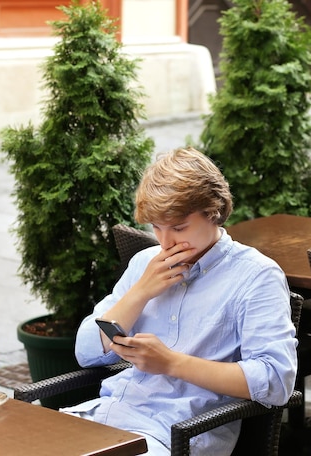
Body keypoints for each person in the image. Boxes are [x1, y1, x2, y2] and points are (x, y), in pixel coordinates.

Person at [62, 147, 298, 455]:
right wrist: (140, 293)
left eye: (178, 227)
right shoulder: (146, 263)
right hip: (105, 417)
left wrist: (172, 363)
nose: (165, 241)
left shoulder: (256, 276)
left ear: (214, 211)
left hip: (177, 437)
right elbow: (87, 352)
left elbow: (276, 380)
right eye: (156, 227)